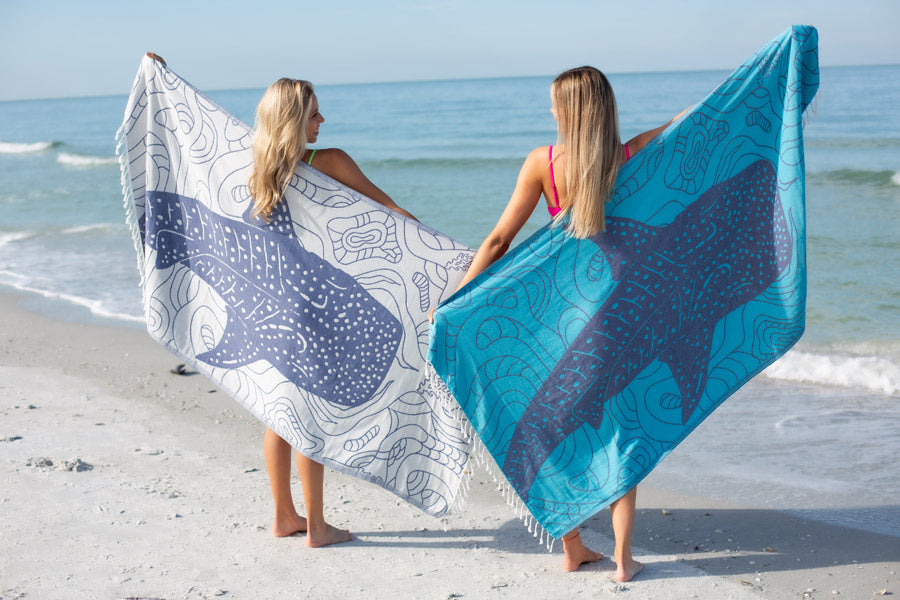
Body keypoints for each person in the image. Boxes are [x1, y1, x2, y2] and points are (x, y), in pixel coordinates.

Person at [145, 53, 414, 548]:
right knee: (308, 416)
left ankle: (283, 517)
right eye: (313, 113)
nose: (322, 120)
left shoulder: (251, 166)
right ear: (294, 120)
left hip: (268, 307)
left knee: (278, 412)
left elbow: (196, 134)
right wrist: (440, 251)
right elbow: (388, 209)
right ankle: (317, 526)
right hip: (314, 308)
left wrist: (162, 79)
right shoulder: (327, 162)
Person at [431, 66, 686, 581]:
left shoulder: (543, 164)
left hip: (560, 318)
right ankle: (623, 558)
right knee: (620, 429)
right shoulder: (631, 154)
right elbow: (694, 120)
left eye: (554, 103)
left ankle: (571, 544)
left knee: (548, 425)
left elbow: (501, 240)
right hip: (616, 317)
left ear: (569, 110)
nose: (548, 111)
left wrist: (457, 300)